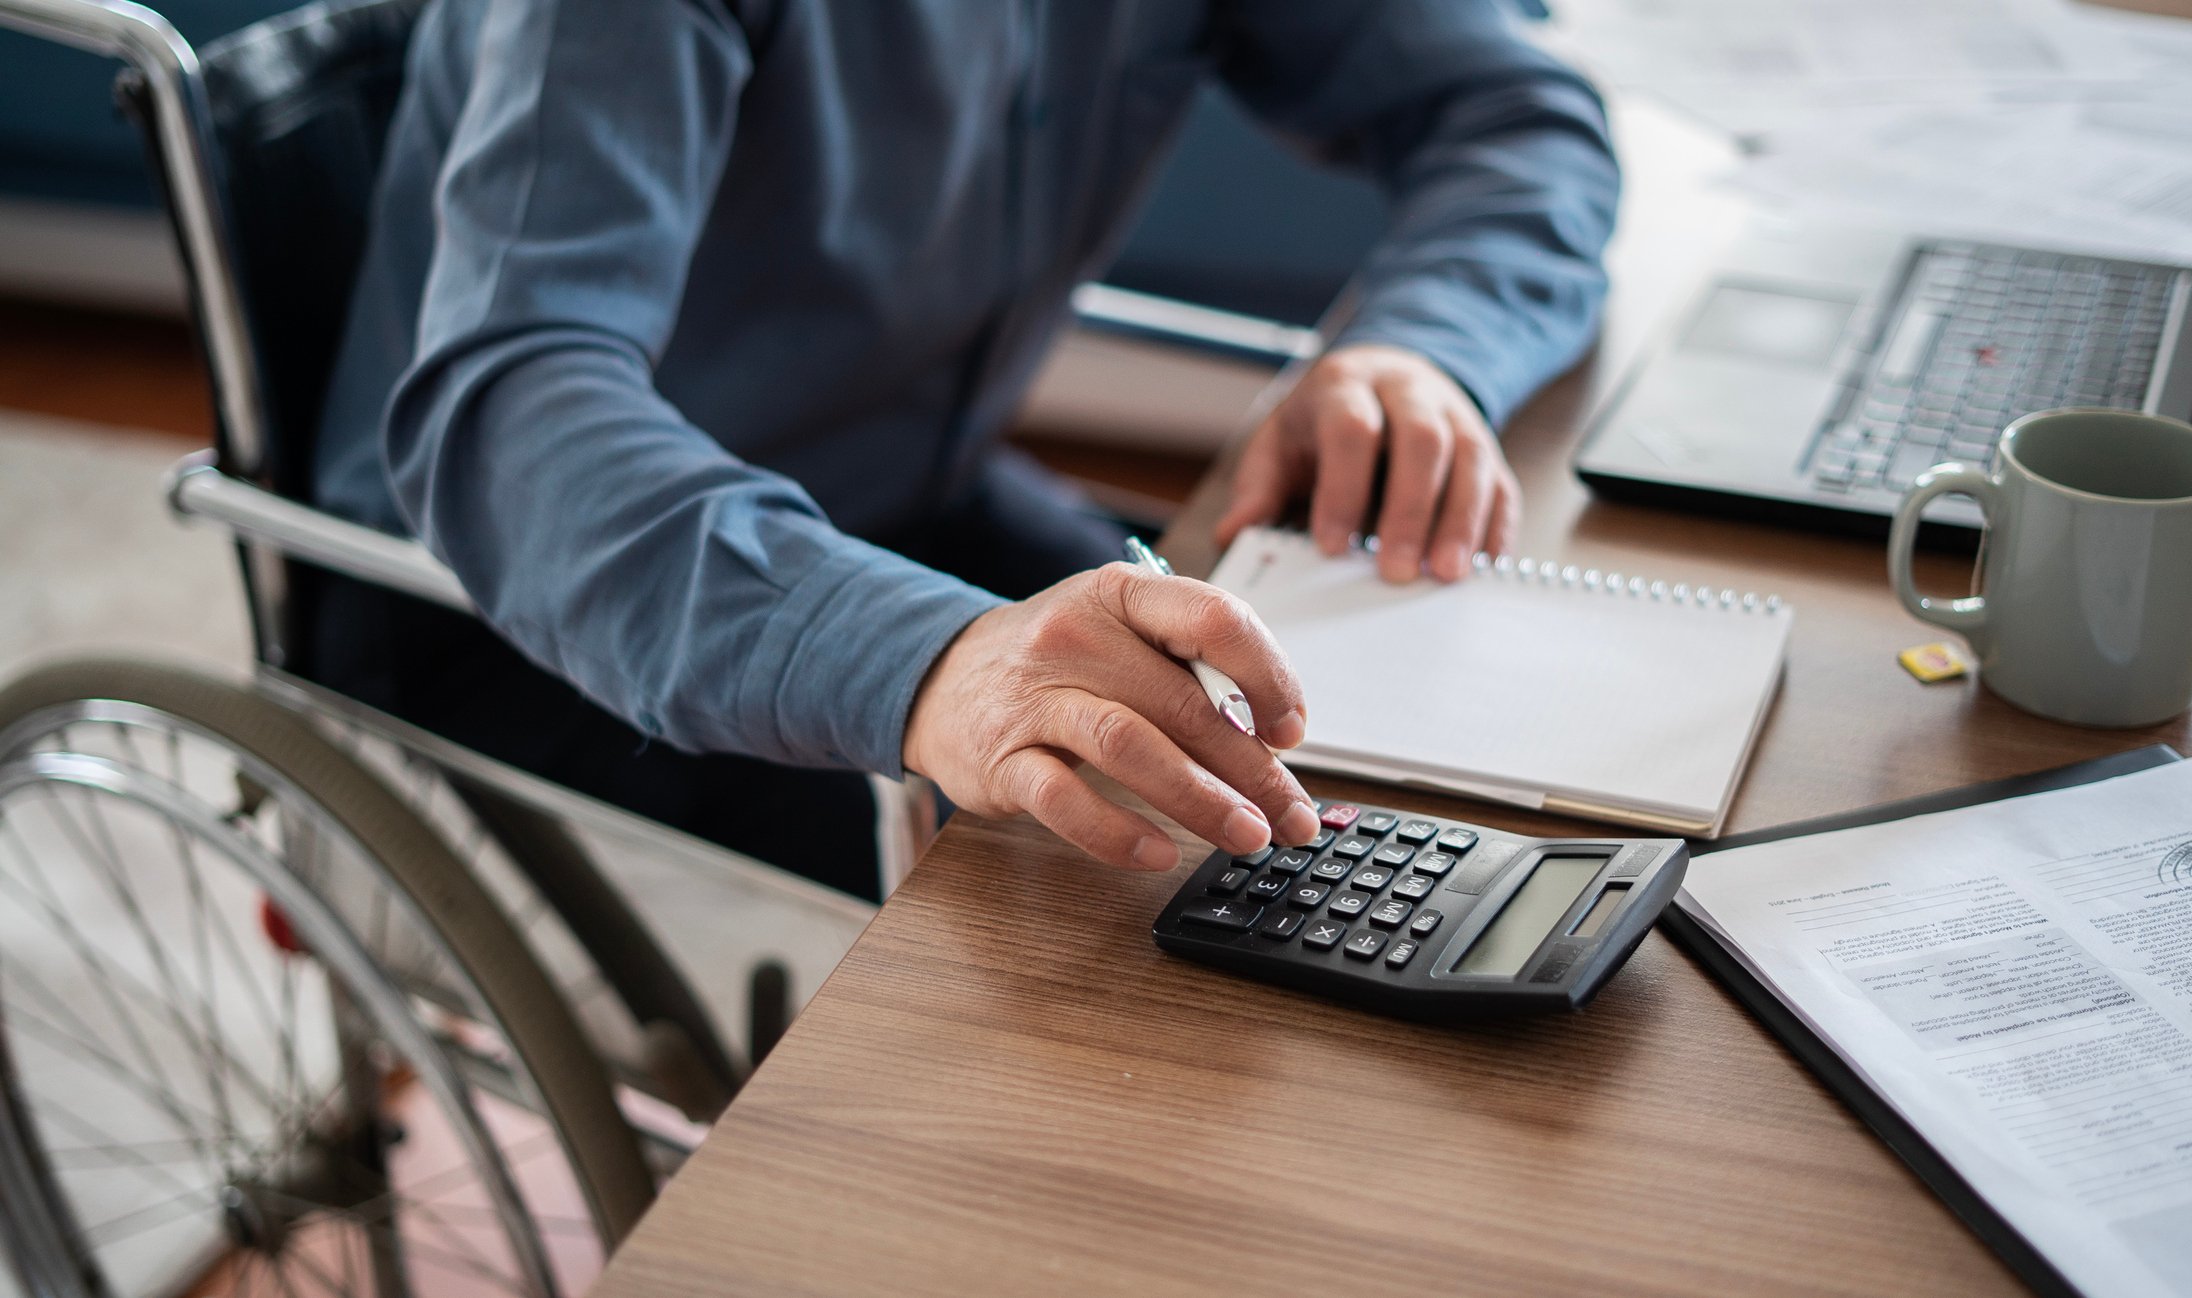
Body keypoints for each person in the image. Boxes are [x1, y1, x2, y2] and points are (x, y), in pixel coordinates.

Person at [308, 0, 1619, 899]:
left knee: (1316, 771)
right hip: (523, 594)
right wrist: (928, 654)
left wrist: (1426, 345)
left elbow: (1512, 109)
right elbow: (510, 411)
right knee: (1092, 919)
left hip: (896, 490)